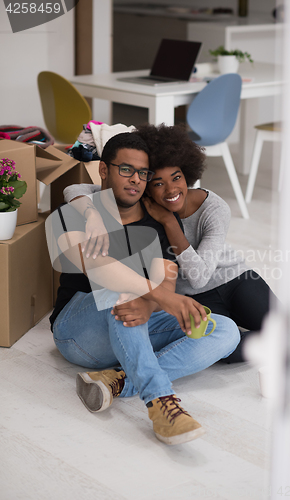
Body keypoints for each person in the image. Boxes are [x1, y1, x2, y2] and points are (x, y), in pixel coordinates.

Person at [48, 132, 240, 446]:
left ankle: (119, 380)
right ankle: (161, 401)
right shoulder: (73, 213)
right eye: (126, 170)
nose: (136, 179)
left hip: (131, 324)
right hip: (78, 333)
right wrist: (164, 298)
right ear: (103, 171)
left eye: (142, 173)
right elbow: (98, 268)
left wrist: (151, 305)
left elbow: (167, 273)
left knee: (225, 330)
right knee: (118, 291)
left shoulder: (152, 218)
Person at [64, 124, 277, 363]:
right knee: (218, 344)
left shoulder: (213, 208)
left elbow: (199, 277)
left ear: (187, 173)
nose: (171, 189)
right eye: (158, 183)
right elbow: (77, 188)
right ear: (145, 186)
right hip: (188, 297)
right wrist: (91, 212)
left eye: (177, 177)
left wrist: (169, 222)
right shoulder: (137, 201)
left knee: (283, 330)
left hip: (233, 279)